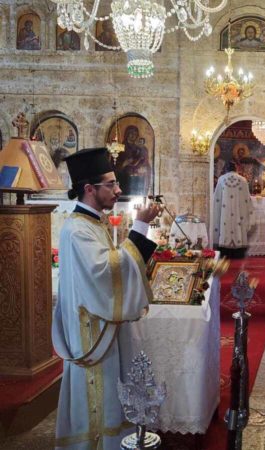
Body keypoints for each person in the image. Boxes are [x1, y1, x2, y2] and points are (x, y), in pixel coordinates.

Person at [52, 147, 160, 449]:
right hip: (91, 332)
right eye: (111, 184)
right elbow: (106, 272)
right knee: (99, 398)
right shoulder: (77, 230)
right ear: (89, 189)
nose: (119, 190)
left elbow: (112, 268)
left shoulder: (93, 223)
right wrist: (140, 226)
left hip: (101, 325)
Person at [213, 161, 255, 258]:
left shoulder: (221, 179)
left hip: (225, 212)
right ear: (236, 168)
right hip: (238, 212)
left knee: (224, 226)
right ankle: (238, 253)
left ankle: (225, 252)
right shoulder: (243, 180)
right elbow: (246, 199)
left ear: (226, 169)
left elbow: (217, 199)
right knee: (239, 226)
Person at [115, 125, 151, 196]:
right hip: (124, 179)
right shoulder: (120, 148)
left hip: (137, 179)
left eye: (135, 134)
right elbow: (113, 164)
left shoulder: (139, 148)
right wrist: (123, 164)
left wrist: (144, 167)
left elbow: (145, 162)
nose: (133, 135)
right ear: (127, 134)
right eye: (131, 133)